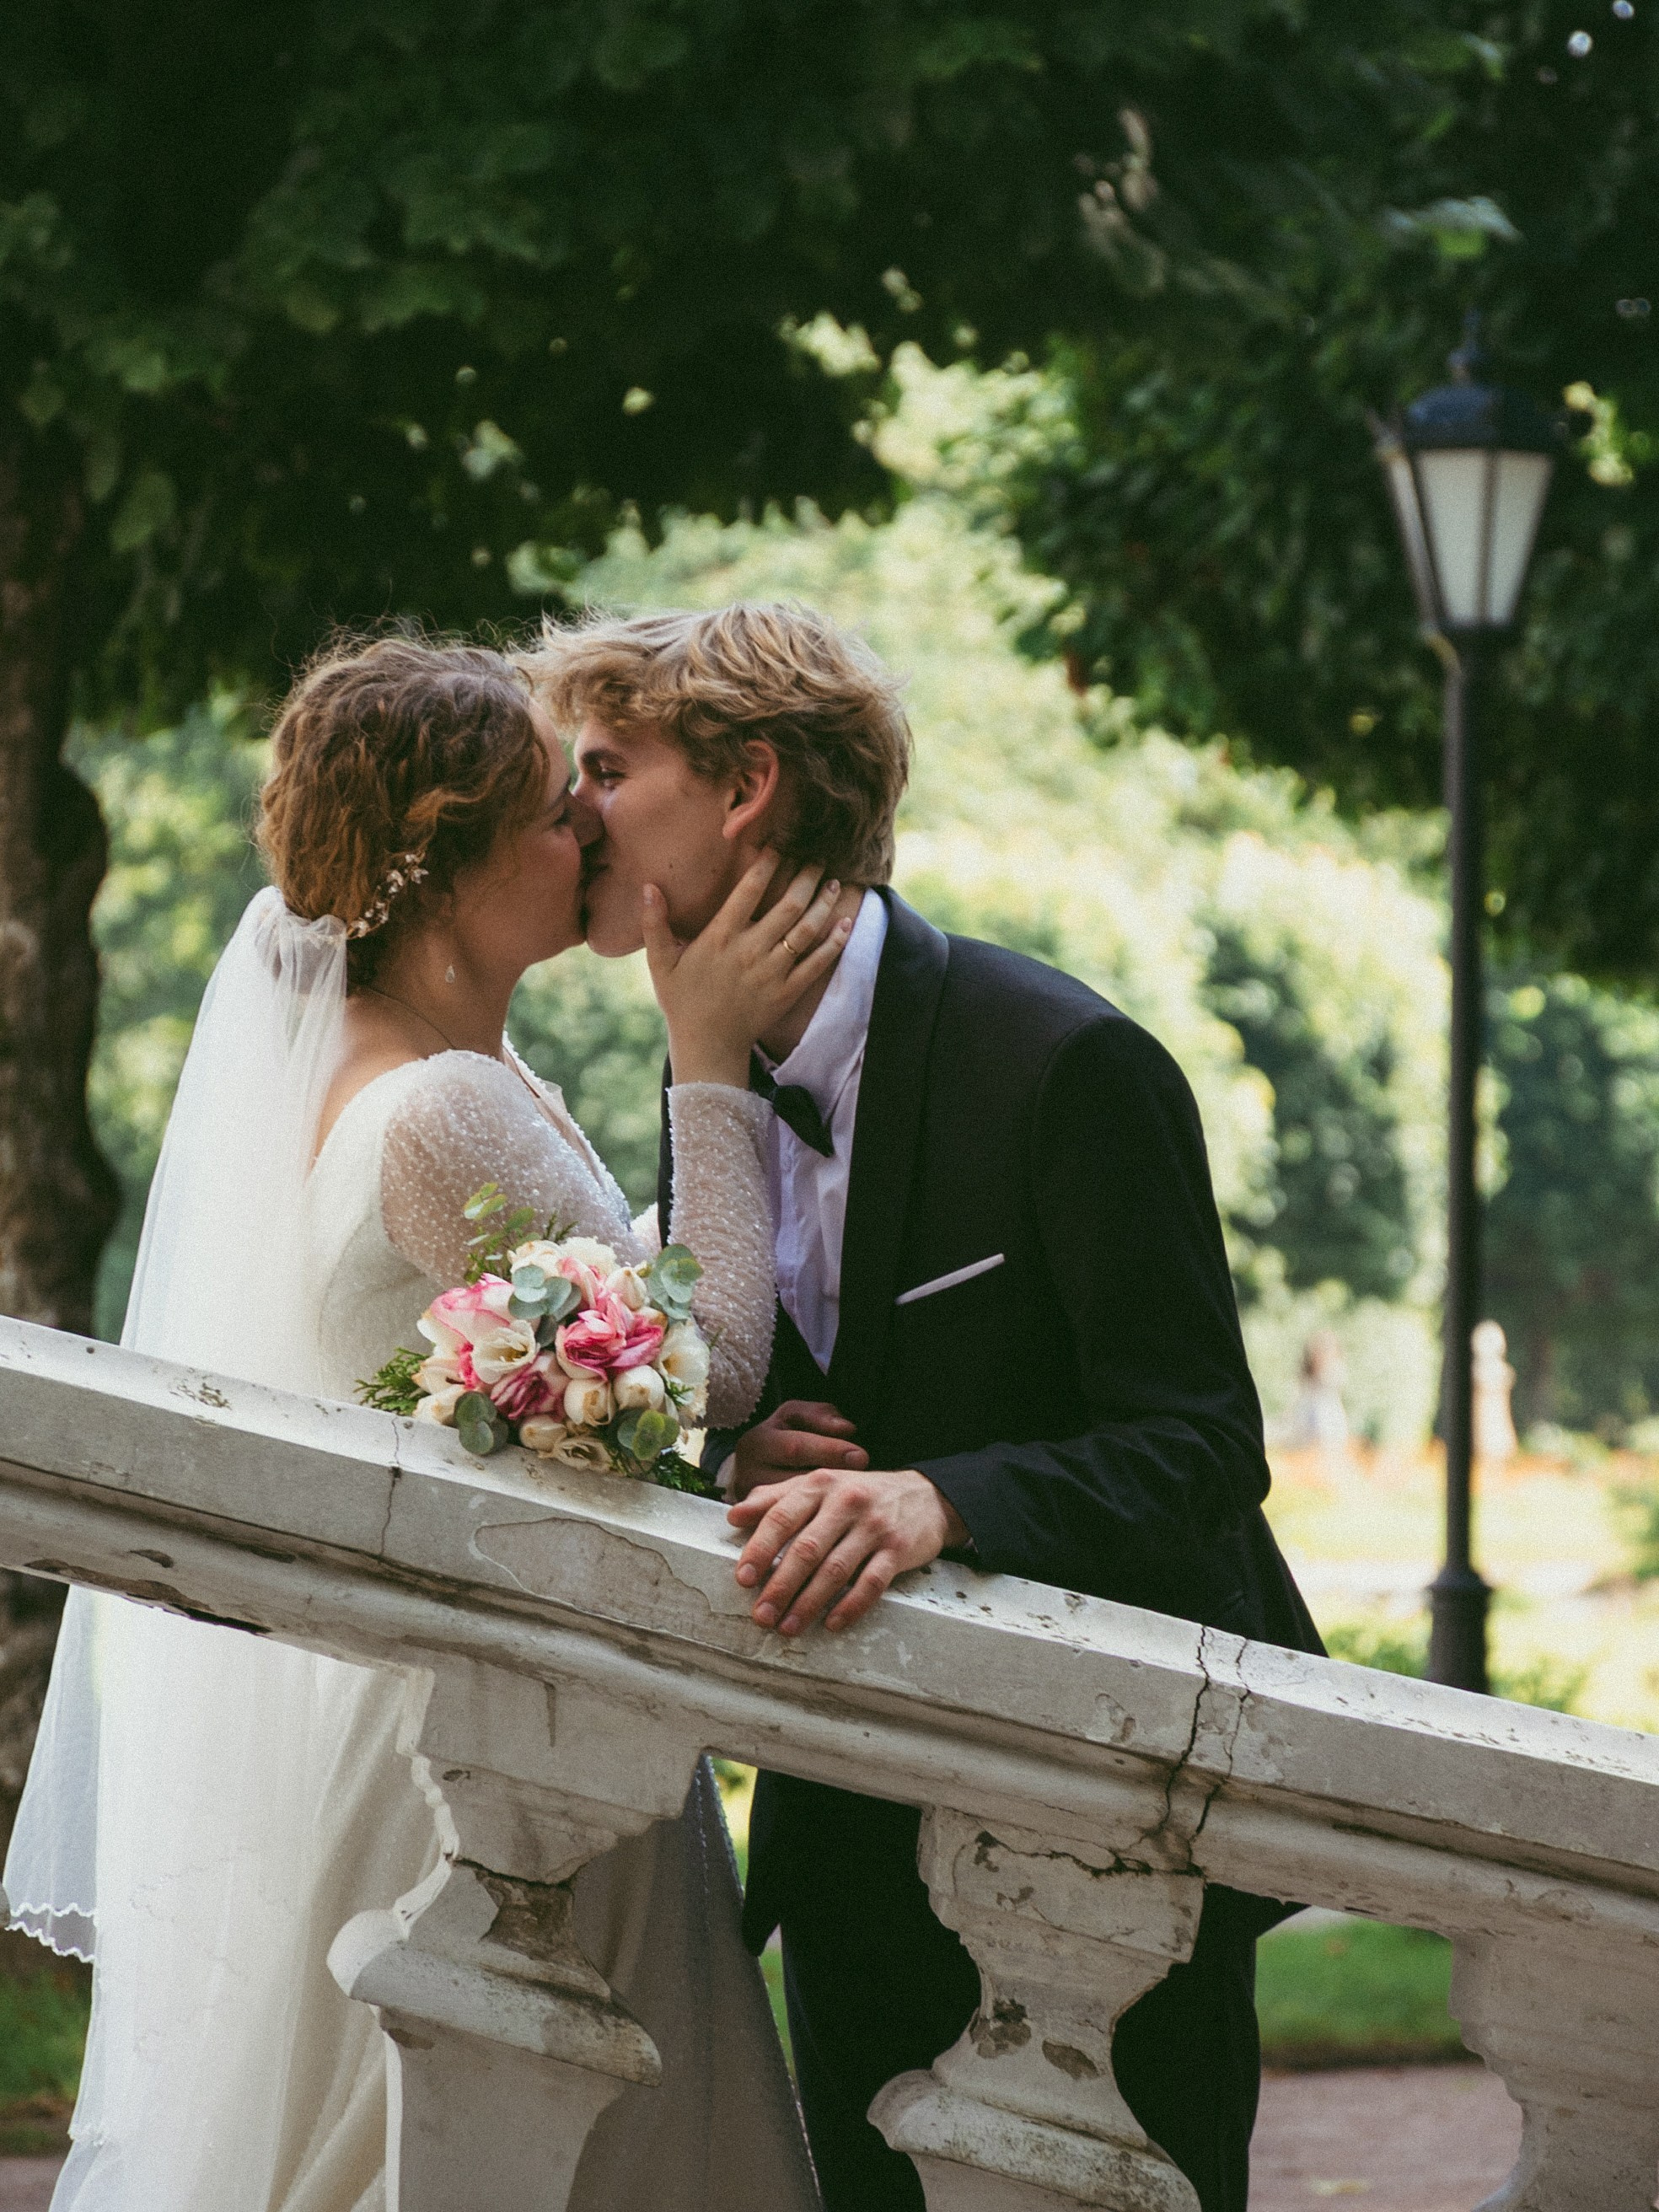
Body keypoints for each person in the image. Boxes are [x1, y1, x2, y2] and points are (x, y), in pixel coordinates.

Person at [3, 634, 832, 2212]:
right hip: (497, 1749)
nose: (585, 831)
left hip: (471, 1711)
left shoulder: (447, 1070)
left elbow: (595, 1399)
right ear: (435, 869)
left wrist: (707, 1452)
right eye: (544, 812)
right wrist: (709, 1061)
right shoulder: (442, 1108)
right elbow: (702, 1365)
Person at [530, 600, 1325, 2212]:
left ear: (746, 782)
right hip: (851, 1870)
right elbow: (730, 1388)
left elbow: (1201, 1450)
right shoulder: (706, 1070)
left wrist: (937, 1498)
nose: (572, 810)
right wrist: (733, 1448)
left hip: (1112, 1864)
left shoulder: (1068, 1064)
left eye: (608, 768)